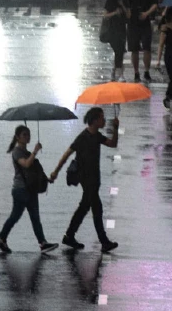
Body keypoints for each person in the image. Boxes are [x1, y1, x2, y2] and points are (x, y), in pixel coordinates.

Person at [49, 107, 120, 253]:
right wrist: (56, 171)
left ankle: (70, 235)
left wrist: (116, 129)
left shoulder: (97, 136)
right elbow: (67, 153)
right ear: (94, 121)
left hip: (94, 178)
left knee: (85, 208)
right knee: (94, 208)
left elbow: (113, 144)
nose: (104, 120)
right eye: (101, 118)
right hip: (87, 179)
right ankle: (103, 241)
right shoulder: (83, 137)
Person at [0, 125, 59, 254]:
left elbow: (34, 172)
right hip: (21, 190)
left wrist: (47, 179)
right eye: (24, 134)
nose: (27, 137)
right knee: (18, 216)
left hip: (30, 190)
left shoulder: (27, 153)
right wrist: (35, 151)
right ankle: (3, 239)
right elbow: (26, 164)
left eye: (28, 134)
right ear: (18, 137)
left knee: (31, 217)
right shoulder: (17, 152)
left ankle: (41, 243)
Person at [126, 0, 157, 83]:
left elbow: (155, 4)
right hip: (132, 23)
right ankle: (136, 72)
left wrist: (146, 13)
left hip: (145, 23)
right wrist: (128, 11)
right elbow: (125, 3)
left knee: (146, 48)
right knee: (134, 49)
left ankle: (146, 71)